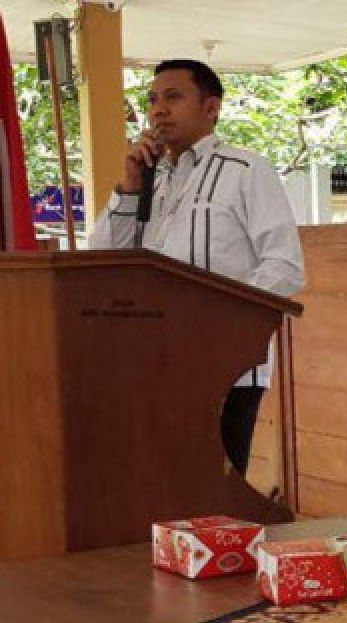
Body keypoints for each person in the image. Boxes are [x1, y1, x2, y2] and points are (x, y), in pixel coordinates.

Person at [89, 59, 304, 474]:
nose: (158, 110)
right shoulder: (151, 180)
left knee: (213, 486)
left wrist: (215, 315)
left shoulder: (246, 170)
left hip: (227, 364)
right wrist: (129, 187)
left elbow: (284, 265)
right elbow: (102, 258)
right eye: (152, 100)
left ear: (211, 108)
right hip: (155, 359)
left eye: (173, 97)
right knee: (159, 480)